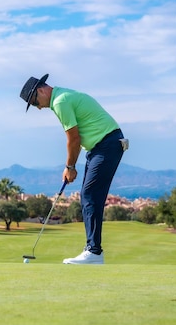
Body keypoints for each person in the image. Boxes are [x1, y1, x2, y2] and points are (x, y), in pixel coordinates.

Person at [20, 73, 128, 264]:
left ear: (41, 90)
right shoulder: (62, 96)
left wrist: (70, 166)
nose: (37, 107)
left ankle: (94, 252)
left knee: (89, 195)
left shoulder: (60, 102)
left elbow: (73, 138)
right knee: (89, 195)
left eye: (34, 101)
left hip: (107, 145)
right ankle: (93, 250)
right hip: (101, 146)